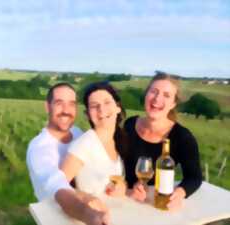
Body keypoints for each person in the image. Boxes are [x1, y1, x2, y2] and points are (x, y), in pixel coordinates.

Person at [26, 82, 109, 225]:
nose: (66, 110)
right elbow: (59, 187)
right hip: (55, 218)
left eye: (71, 104)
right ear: (47, 107)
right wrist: (88, 214)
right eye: (59, 103)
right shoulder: (39, 148)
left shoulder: (77, 133)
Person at [123, 72, 202, 210]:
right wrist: (127, 189)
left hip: (155, 205)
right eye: (153, 92)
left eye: (166, 95)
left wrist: (178, 194)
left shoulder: (183, 137)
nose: (157, 98)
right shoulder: (129, 124)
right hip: (126, 201)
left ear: (173, 103)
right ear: (146, 95)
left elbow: (194, 178)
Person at [60, 81, 127, 198]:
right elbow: (58, 187)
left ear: (118, 108)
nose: (101, 109)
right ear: (87, 115)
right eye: (94, 106)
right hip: (90, 214)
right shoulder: (84, 144)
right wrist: (87, 198)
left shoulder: (118, 140)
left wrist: (122, 187)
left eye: (107, 102)